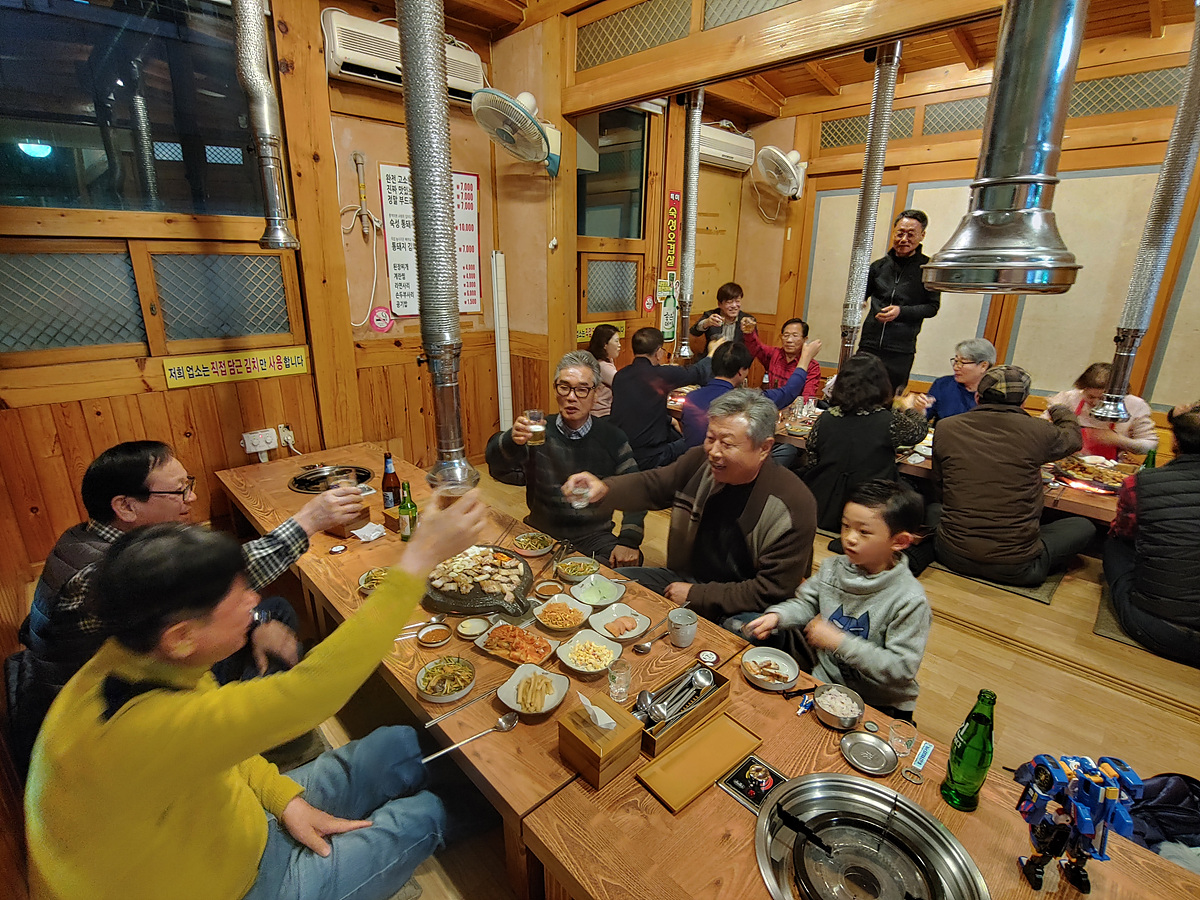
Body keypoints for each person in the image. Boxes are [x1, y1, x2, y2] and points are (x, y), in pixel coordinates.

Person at [25, 495, 489, 900]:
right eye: (238, 595)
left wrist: (284, 800)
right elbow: (310, 691)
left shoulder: (134, 656)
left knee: (399, 743)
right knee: (422, 816)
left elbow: (222, 744)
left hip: (229, 825)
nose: (254, 600)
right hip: (228, 887)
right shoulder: (142, 726)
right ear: (181, 636)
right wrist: (417, 561)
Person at [7, 440, 364, 779]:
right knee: (271, 625)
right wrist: (309, 520)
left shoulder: (89, 537)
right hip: (118, 729)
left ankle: (273, 735)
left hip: (139, 674)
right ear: (125, 506)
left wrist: (257, 619)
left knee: (272, 611)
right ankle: (279, 760)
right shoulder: (94, 578)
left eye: (187, 485)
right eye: (179, 491)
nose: (191, 497)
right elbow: (216, 579)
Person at [565, 389, 818, 660]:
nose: (714, 452)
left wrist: (699, 595)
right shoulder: (700, 462)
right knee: (612, 584)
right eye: (710, 438)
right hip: (687, 580)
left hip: (748, 605)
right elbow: (654, 485)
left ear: (764, 448)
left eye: (727, 443)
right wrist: (604, 489)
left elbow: (771, 590)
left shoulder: (793, 504)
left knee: (741, 638)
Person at [745, 480, 931, 720]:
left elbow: (902, 669)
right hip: (826, 683)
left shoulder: (909, 600)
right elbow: (807, 603)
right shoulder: (833, 569)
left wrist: (838, 642)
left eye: (864, 532)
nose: (850, 538)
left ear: (900, 541)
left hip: (880, 704)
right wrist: (778, 616)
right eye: (845, 526)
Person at [929, 365, 1095, 586]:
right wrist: (1058, 409)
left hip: (950, 555)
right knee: (1084, 526)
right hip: (1017, 568)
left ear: (978, 397)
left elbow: (939, 484)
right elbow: (1073, 439)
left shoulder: (946, 427)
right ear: (1023, 402)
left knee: (933, 508)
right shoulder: (1039, 430)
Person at [486, 350, 644, 567]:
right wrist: (511, 440)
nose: (571, 397)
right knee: (503, 566)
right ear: (555, 390)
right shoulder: (538, 433)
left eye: (582, 389)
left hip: (594, 535)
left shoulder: (612, 438)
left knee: (627, 562)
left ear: (596, 393)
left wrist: (629, 540)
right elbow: (498, 471)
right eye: (564, 387)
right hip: (542, 532)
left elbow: (635, 490)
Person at [1104, 399, 1200, 668]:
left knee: (1114, 543)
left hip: (1157, 627)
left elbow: (1124, 532)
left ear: (1175, 442)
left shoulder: (1141, 483)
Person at [801, 353, 929, 532]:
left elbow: (812, 460)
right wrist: (910, 409)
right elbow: (919, 432)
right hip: (871, 508)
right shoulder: (888, 420)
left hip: (822, 506)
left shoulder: (826, 418)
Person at [679, 337, 821, 449]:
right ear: (741, 371)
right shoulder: (747, 401)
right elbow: (789, 392)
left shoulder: (691, 397)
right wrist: (805, 358)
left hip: (692, 467)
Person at [857, 210, 941, 393]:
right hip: (869, 343)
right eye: (900, 233)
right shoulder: (878, 266)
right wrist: (859, 301)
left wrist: (901, 312)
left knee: (890, 397)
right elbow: (862, 294)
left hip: (900, 349)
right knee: (857, 392)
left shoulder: (927, 269)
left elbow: (932, 307)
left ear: (922, 235)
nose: (903, 239)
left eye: (910, 234)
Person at [610, 326, 713, 471]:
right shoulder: (660, 374)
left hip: (622, 452)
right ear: (658, 352)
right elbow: (697, 372)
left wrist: (669, 419)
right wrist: (712, 353)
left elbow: (638, 408)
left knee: (674, 433)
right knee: (697, 441)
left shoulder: (620, 376)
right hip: (652, 457)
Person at [1044, 362, 1158, 460]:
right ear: (1082, 389)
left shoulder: (1135, 406)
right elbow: (1043, 430)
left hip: (1110, 469)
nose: (1095, 402)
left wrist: (1119, 440)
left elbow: (1150, 446)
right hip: (1066, 462)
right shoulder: (1068, 399)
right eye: (1090, 397)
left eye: (1103, 398)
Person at [742, 315, 823, 399]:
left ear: (805, 339)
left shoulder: (812, 366)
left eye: (795, 336)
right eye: (786, 335)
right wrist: (749, 333)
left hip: (793, 406)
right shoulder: (775, 354)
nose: (789, 340)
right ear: (781, 337)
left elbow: (807, 397)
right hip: (771, 403)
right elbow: (756, 347)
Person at [926, 338, 995, 423]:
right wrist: (919, 410)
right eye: (956, 361)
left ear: (983, 366)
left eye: (962, 363)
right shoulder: (943, 385)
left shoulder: (995, 394)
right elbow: (923, 418)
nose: (955, 367)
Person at [689, 281, 751, 355]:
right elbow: (694, 332)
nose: (734, 306)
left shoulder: (747, 320)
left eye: (737, 301)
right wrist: (706, 323)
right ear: (719, 304)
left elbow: (752, 347)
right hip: (712, 358)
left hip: (737, 360)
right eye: (729, 302)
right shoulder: (711, 315)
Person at [587, 324, 622, 417]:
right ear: (605, 345)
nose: (619, 345)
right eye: (616, 341)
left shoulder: (606, 360)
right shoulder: (602, 366)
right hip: (602, 414)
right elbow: (623, 385)